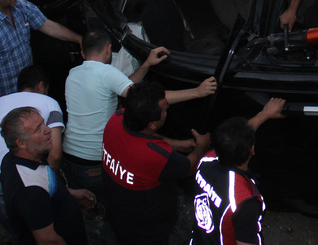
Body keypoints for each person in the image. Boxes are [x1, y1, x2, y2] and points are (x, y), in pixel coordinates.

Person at [100, 82, 213, 245]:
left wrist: (179, 145)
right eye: (165, 108)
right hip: (146, 225)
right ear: (152, 122)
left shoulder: (115, 121)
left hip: (118, 210)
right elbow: (189, 167)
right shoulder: (154, 156)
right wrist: (201, 146)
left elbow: (152, 139)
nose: (167, 109)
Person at [61, 29, 217, 192]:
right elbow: (144, 98)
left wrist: (147, 64)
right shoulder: (106, 73)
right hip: (93, 162)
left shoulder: (73, 74)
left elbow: (124, 86)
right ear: (109, 49)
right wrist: (197, 92)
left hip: (68, 156)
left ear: (82, 53)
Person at [188, 98, 292, 245]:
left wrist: (264, 114)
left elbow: (232, 139)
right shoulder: (244, 200)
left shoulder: (207, 160)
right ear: (252, 150)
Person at [0, 106, 96, 245]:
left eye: (44, 123)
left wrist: (68, 194)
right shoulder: (29, 191)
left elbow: (48, 184)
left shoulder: (19, 159)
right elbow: (49, 243)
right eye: (38, 129)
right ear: (21, 143)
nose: (47, 130)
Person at [0, 65, 65, 241]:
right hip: (16, 177)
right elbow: (55, 154)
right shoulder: (49, 103)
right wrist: (50, 186)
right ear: (41, 86)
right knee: (40, 231)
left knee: (19, 229)